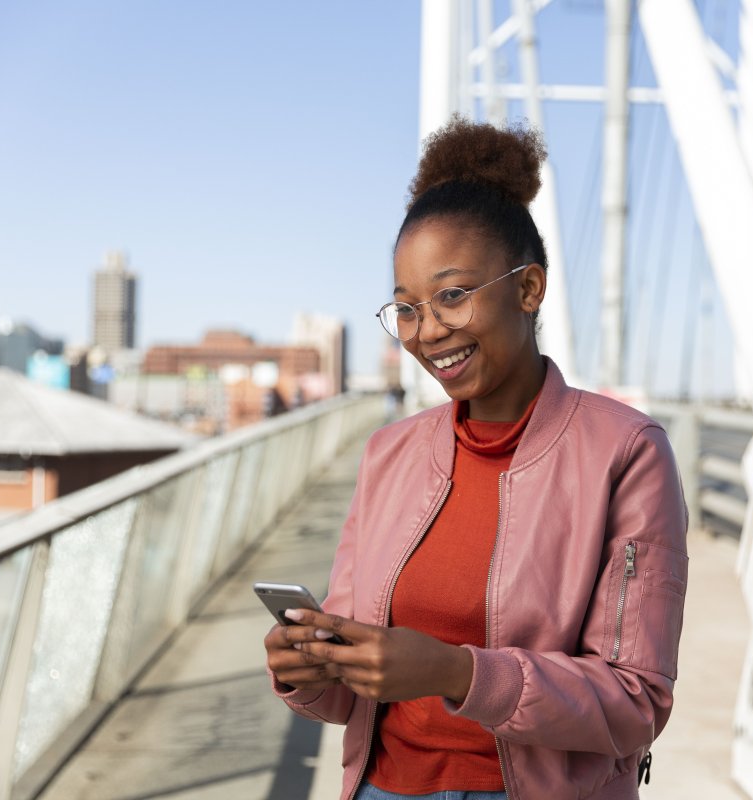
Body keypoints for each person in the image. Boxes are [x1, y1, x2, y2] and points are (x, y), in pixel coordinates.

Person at [264, 117, 689, 800]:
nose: (428, 331)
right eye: (405, 308)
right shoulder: (389, 454)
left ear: (529, 289)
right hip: (382, 788)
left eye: (453, 295)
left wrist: (457, 674)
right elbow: (352, 699)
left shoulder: (626, 451)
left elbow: (636, 701)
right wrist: (307, 671)